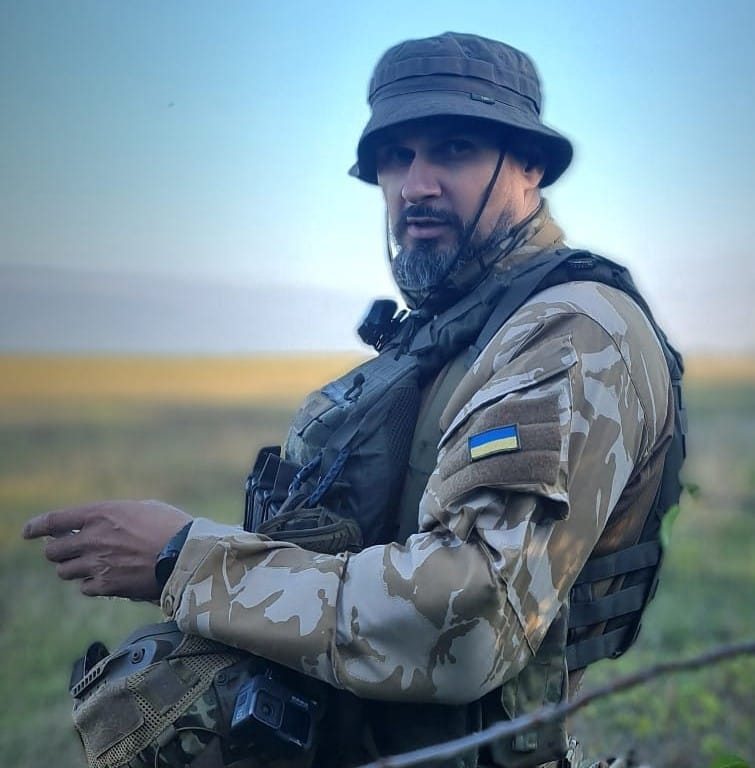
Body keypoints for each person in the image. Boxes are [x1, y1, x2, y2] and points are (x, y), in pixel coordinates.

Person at [23, 32, 683, 768]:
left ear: (529, 165)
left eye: (453, 149)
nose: (415, 184)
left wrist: (184, 560)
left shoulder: (571, 331)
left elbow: (470, 623)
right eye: (395, 157)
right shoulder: (460, 327)